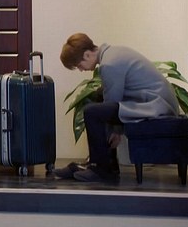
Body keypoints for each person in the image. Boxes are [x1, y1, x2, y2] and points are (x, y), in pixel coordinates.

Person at [54, 33, 179, 182]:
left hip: (158, 104)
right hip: (154, 100)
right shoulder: (112, 53)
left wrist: (116, 131)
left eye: (79, 65)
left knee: (92, 112)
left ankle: (101, 169)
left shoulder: (109, 64)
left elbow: (111, 101)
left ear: (87, 55)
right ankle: (104, 163)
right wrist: (116, 130)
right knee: (98, 97)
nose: (81, 70)